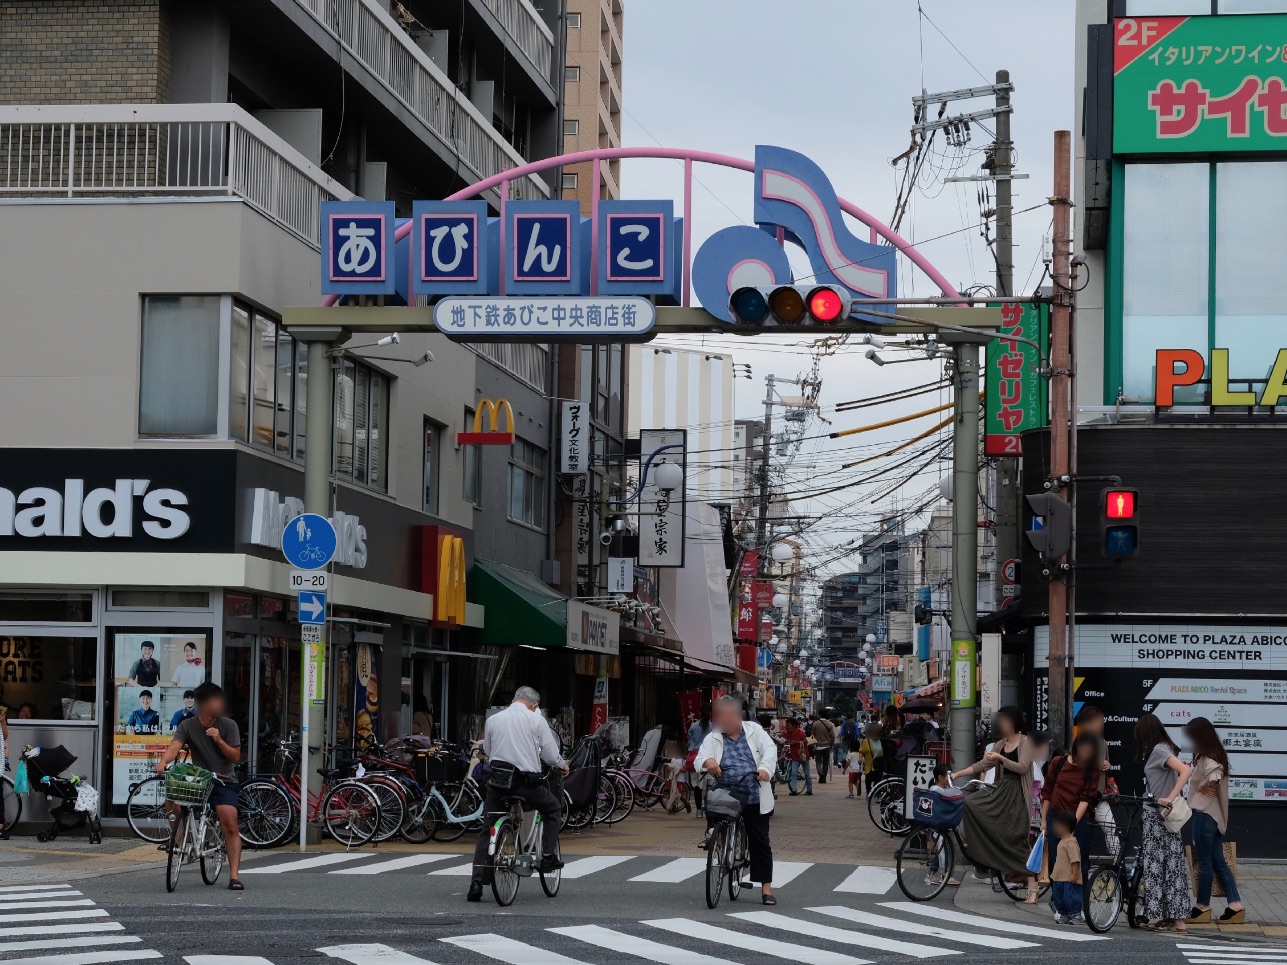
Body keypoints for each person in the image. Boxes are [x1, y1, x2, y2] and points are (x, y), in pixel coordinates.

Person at [467, 686, 568, 903]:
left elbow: (491, 753)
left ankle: (476, 882)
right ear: (534, 706)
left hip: (497, 784)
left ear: (514, 700)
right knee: (552, 808)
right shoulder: (536, 720)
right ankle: (548, 857)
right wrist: (562, 765)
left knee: (488, 829)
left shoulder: (494, 720)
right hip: (526, 785)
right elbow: (550, 754)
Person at [155, 682, 243, 890]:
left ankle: (234, 876)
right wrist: (162, 763)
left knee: (229, 823)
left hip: (223, 780)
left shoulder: (229, 725)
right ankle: (177, 839)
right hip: (199, 779)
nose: (219, 704)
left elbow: (236, 757)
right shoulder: (188, 725)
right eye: (215, 700)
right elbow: (174, 748)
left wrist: (219, 739)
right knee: (171, 800)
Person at [696, 695, 779, 905]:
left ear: (738, 715)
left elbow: (770, 749)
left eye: (728, 715)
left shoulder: (754, 731)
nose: (724, 719)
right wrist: (709, 761)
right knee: (714, 806)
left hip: (753, 791)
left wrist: (764, 769)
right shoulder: (714, 736)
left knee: (760, 840)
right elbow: (700, 757)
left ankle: (766, 890)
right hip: (727, 791)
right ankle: (714, 837)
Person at [952, 706, 1040, 902]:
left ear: (1014, 721)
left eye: (1005, 721)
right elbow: (983, 765)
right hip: (1002, 792)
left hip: (1017, 794)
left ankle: (1032, 885)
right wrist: (959, 773)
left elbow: (1023, 768)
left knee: (1017, 838)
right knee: (969, 803)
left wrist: (1001, 758)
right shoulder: (1000, 744)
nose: (1002, 724)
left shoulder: (1025, 742)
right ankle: (985, 855)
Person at [1136, 712, 1193, 932]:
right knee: (1173, 866)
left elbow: (1185, 771)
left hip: (1156, 815)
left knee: (1155, 866)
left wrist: (1170, 798)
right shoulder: (1165, 747)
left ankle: (1157, 915)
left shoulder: (1159, 749)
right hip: (1164, 816)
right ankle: (1177, 920)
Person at [1184, 716, 1244, 924]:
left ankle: (1202, 906)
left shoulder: (1208, 757)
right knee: (1219, 862)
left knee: (1205, 863)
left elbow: (1215, 774)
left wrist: (1204, 786)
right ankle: (1235, 905)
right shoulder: (1216, 753)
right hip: (1216, 817)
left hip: (1204, 816)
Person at [1040, 733, 1101, 887]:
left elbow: (1086, 798)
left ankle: (1079, 903)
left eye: (1090, 751)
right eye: (1084, 749)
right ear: (1076, 747)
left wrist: (1072, 824)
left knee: (1079, 860)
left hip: (1078, 819)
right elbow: (1047, 792)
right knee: (1057, 859)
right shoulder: (1057, 762)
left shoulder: (1092, 769)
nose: (1086, 753)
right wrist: (1043, 820)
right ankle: (1058, 902)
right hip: (1056, 816)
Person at [1049, 810, 1084, 925]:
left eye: (1057, 825)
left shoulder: (1071, 842)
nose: (1055, 828)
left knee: (1071, 897)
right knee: (1059, 897)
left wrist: (1075, 874)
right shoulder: (1062, 841)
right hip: (1059, 877)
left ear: (1066, 826)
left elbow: (1075, 860)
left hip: (1069, 878)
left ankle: (1075, 914)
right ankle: (1063, 914)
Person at [687, 708, 711, 817]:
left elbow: (689, 740)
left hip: (693, 757)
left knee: (696, 785)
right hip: (707, 759)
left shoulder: (693, 726)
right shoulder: (713, 727)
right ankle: (707, 809)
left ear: (700, 714)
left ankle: (698, 811)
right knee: (707, 786)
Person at [785, 716, 812, 796]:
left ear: (793, 725)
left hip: (803, 755)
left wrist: (796, 742)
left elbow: (805, 741)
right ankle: (794, 790)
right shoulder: (788, 733)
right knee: (793, 772)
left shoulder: (801, 732)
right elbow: (783, 735)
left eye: (789, 725)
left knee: (806, 773)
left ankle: (809, 789)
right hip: (794, 756)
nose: (787, 726)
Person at [858, 722, 882, 793]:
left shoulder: (881, 741)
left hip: (879, 765)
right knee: (868, 779)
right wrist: (860, 759)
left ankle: (876, 793)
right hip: (869, 765)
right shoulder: (866, 741)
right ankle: (869, 793)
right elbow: (861, 751)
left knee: (878, 780)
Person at [810, 715, 836, 783]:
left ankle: (820, 772)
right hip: (827, 746)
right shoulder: (829, 723)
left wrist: (813, 744)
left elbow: (812, 735)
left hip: (818, 745)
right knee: (825, 762)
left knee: (818, 762)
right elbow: (833, 735)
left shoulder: (815, 724)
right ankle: (823, 778)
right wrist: (831, 744)